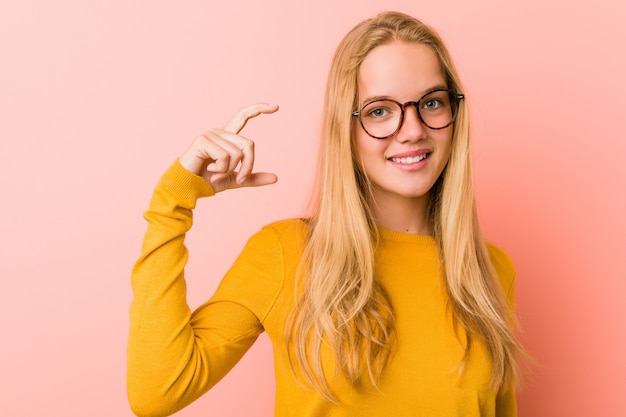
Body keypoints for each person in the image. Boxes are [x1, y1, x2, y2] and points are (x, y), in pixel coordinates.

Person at [128, 11, 523, 417]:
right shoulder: (284, 254)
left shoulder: (491, 270)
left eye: (432, 103)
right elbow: (157, 392)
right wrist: (172, 202)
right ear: (344, 128)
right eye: (379, 111)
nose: (413, 129)